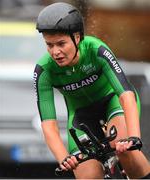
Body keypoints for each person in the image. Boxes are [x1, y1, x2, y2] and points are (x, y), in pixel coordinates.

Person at [34, 2, 150, 179]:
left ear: (77, 37)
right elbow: (49, 125)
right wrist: (64, 158)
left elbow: (126, 95)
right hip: (81, 117)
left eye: (61, 44)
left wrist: (134, 137)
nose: (55, 52)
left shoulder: (96, 50)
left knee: (123, 147)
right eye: (49, 45)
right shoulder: (44, 70)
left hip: (113, 102)